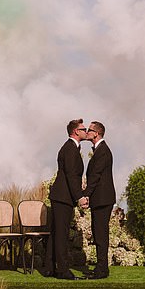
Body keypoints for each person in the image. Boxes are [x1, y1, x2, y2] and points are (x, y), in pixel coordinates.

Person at [45, 118, 87, 280]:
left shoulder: (70, 148)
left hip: (61, 196)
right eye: (83, 129)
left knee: (56, 232)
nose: (85, 132)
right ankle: (62, 270)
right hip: (63, 197)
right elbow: (71, 175)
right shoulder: (70, 148)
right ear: (75, 131)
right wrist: (79, 197)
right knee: (61, 234)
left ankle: (49, 268)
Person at [79, 121, 116, 279]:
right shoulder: (100, 150)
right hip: (101, 198)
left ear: (97, 133)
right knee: (98, 233)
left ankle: (102, 270)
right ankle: (101, 267)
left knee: (100, 234)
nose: (86, 132)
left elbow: (95, 176)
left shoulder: (103, 151)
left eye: (89, 130)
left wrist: (86, 194)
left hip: (102, 199)